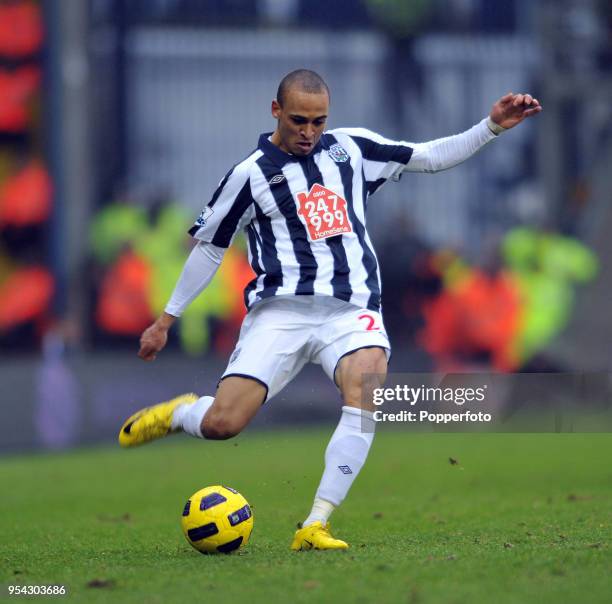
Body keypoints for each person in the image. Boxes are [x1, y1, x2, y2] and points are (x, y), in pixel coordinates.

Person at [118, 69, 541, 551]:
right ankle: (182, 413)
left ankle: (316, 522)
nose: (309, 132)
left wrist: (490, 127)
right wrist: (166, 319)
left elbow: (427, 157)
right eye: (299, 120)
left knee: (366, 387)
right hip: (279, 314)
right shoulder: (249, 175)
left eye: (319, 121)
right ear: (275, 111)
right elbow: (211, 248)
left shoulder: (351, 149)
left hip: (350, 310)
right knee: (222, 425)